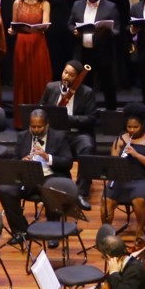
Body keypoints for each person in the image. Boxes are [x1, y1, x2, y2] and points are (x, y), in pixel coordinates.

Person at [0, 109, 75, 246]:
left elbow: (68, 162)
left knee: (51, 188)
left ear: (47, 125)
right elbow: (14, 160)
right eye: (33, 127)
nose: (36, 130)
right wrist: (22, 162)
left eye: (39, 126)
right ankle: (21, 231)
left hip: (50, 175)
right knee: (5, 190)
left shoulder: (59, 137)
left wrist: (47, 157)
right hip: (28, 177)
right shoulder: (23, 136)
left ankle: (53, 231)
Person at [40, 60, 98, 210]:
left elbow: (91, 118)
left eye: (71, 75)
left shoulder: (87, 92)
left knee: (87, 147)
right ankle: (50, 188)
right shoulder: (51, 87)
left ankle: (81, 193)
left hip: (77, 134)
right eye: (65, 72)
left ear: (78, 77)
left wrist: (66, 118)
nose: (66, 76)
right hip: (56, 134)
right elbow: (41, 110)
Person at [101, 103, 145, 229]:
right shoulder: (120, 140)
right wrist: (117, 162)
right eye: (129, 127)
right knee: (105, 200)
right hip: (121, 178)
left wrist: (136, 154)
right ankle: (106, 232)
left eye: (136, 127)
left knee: (139, 199)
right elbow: (113, 162)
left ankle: (140, 229)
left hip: (144, 179)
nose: (132, 130)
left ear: (143, 125)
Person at [69, 0, 120, 111]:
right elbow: (70, 23)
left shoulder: (110, 7)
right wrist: (74, 31)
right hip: (84, 51)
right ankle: (86, 113)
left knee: (107, 85)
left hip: (103, 52)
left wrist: (107, 29)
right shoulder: (77, 5)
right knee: (84, 85)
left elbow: (117, 30)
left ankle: (111, 114)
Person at [9, 0, 52, 128]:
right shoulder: (17, 3)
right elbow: (13, 25)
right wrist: (11, 30)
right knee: (23, 80)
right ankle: (22, 121)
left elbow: (46, 23)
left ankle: (41, 120)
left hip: (37, 42)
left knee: (38, 79)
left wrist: (42, 26)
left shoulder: (44, 4)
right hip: (22, 43)